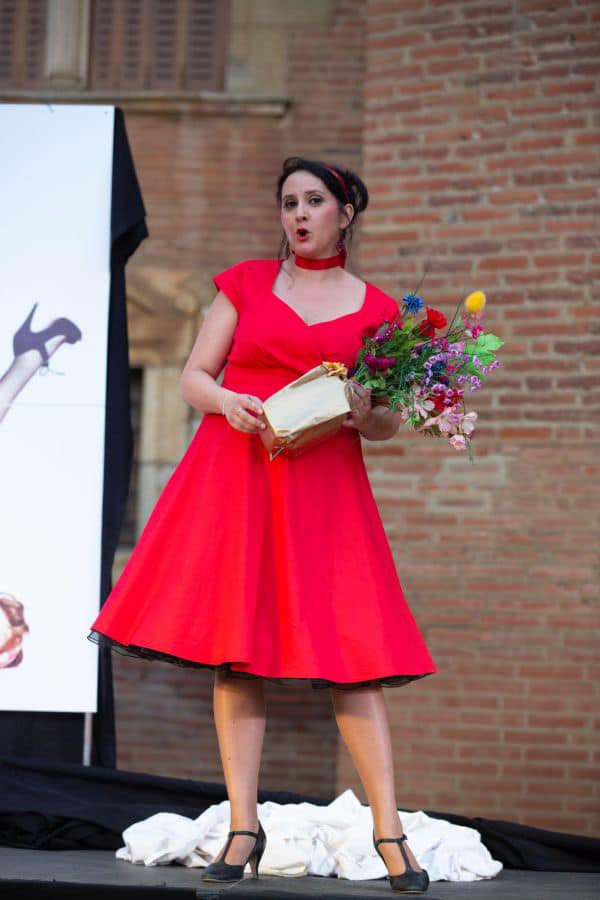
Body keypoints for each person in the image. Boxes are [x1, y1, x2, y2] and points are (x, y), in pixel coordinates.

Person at [88, 156, 436, 894]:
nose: (299, 215)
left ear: (347, 211)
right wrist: (226, 404)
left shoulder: (379, 311)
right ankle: (244, 826)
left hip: (325, 488)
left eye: (314, 201)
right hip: (239, 474)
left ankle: (390, 832)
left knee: (355, 653)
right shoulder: (245, 282)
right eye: (289, 203)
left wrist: (373, 410)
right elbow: (193, 376)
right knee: (235, 649)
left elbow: (386, 427)